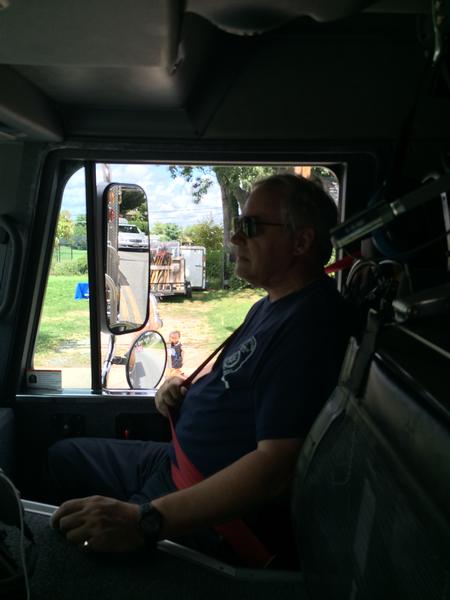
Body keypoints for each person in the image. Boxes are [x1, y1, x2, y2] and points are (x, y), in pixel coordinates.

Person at [48, 174, 353, 567]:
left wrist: (145, 520)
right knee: (62, 456)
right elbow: (239, 383)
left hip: (207, 510)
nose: (234, 239)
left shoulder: (309, 326)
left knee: (70, 561)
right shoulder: (271, 306)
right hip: (174, 462)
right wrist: (180, 389)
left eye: (250, 227)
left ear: (301, 241)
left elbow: (276, 467)